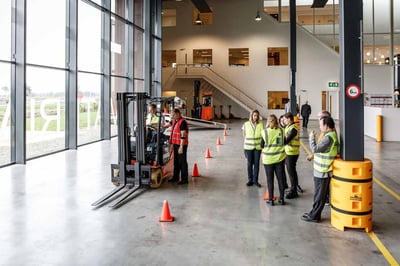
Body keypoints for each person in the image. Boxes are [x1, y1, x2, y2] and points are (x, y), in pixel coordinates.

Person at [301, 116, 338, 222]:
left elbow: (315, 149)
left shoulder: (328, 137)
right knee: (319, 194)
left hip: (322, 171)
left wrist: (311, 137)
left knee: (319, 195)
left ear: (326, 126)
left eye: (321, 125)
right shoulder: (330, 135)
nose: (320, 127)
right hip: (321, 170)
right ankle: (313, 213)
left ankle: (315, 216)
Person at [261, 114, 287, 206]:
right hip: (279, 159)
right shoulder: (281, 131)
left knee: (270, 180)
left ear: (268, 122)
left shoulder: (264, 132)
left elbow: (261, 145)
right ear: (277, 121)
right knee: (280, 179)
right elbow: (283, 142)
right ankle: (282, 199)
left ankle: (271, 199)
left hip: (268, 160)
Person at [242, 110, 263, 187]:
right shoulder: (246, 124)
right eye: (254, 115)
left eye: (257, 115)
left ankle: (255, 180)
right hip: (248, 147)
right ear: (251, 116)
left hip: (257, 147)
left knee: (256, 164)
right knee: (249, 164)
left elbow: (262, 135)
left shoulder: (260, 124)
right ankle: (250, 180)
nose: (256, 117)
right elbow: (244, 134)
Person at [168, 108, 189, 185]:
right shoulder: (174, 121)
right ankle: (175, 177)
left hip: (181, 145)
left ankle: (184, 179)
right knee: (176, 162)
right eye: (172, 115)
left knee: (182, 162)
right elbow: (165, 125)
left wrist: (181, 147)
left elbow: (183, 135)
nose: (172, 116)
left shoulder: (182, 122)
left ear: (178, 114)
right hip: (175, 144)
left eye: (173, 115)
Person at [283, 112, 300, 199]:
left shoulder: (293, 129)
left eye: (285, 119)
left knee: (291, 172)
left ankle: (293, 191)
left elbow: (285, 140)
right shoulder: (288, 127)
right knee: (292, 171)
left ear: (289, 119)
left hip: (292, 153)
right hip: (290, 152)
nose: (284, 121)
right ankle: (295, 187)